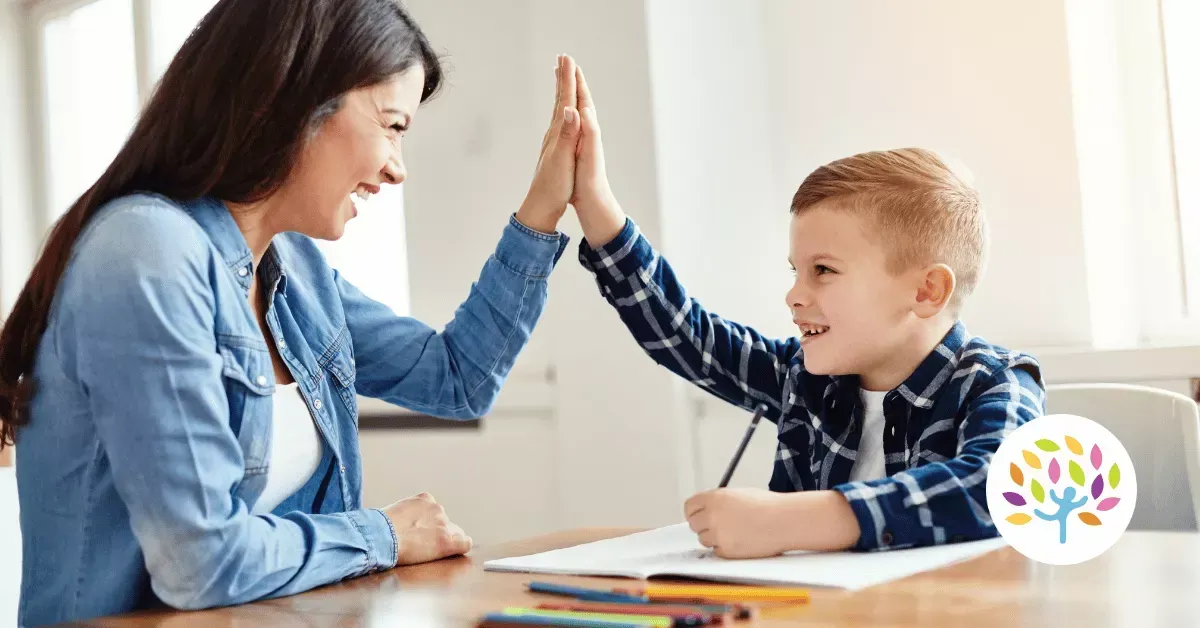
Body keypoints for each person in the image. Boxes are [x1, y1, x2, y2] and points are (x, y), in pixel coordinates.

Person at [0, 0, 588, 623]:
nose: (397, 167)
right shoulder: (146, 252)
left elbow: (458, 378)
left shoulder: (295, 272)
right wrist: (383, 534)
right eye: (391, 125)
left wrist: (544, 207)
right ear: (298, 99)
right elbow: (202, 563)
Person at [565, 72, 1045, 556]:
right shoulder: (806, 377)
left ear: (926, 291)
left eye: (823, 270)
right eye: (796, 271)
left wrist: (793, 520)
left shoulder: (996, 383)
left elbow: (999, 487)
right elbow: (688, 337)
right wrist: (595, 205)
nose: (794, 295)